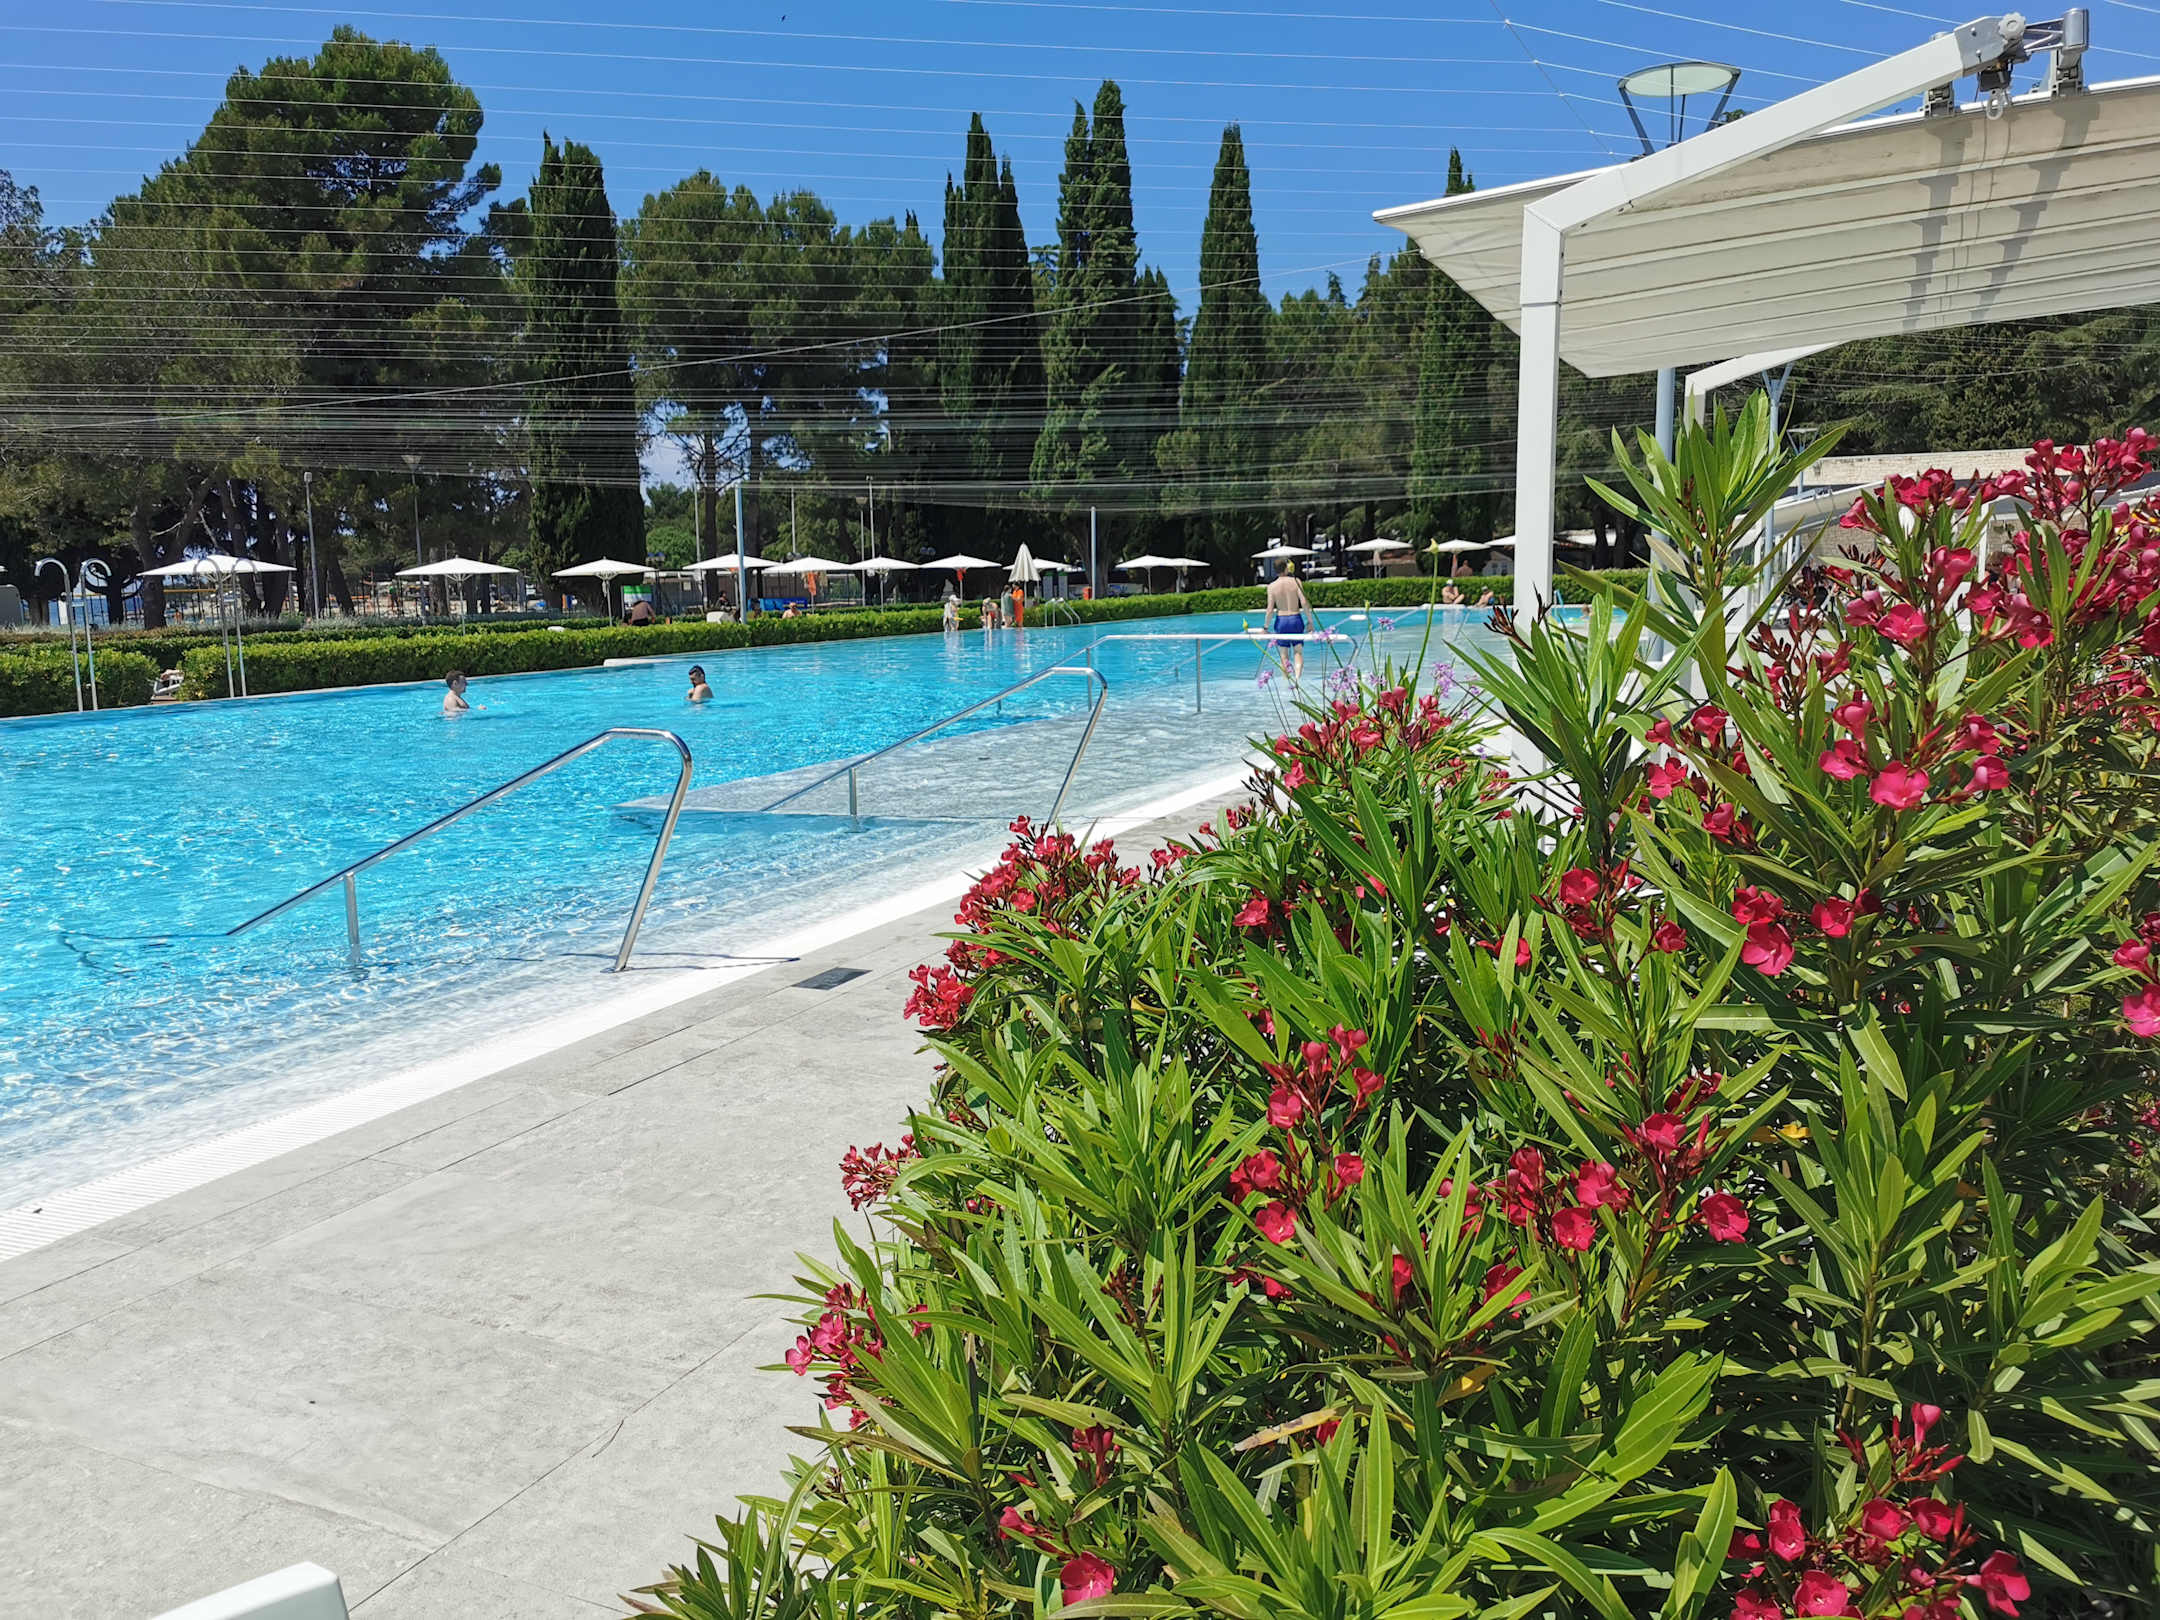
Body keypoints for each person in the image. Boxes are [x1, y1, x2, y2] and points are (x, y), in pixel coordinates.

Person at [1265, 561, 1312, 682]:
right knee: (1298, 652)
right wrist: (1310, 621)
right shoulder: (1296, 582)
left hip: (1281, 621)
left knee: (1284, 655)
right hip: (1295, 619)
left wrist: (1265, 627)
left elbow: (1270, 609)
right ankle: (1297, 679)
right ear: (1287, 568)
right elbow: (1304, 602)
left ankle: (1287, 682)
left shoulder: (1271, 586)